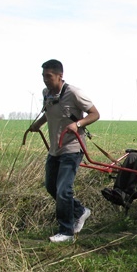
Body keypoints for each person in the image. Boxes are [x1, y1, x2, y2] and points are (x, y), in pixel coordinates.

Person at [29, 59, 100, 243]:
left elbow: (95, 114)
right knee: (51, 187)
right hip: (55, 149)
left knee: (63, 190)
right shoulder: (46, 93)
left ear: (60, 76)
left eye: (48, 76)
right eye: (43, 76)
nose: (45, 80)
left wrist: (78, 124)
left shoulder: (74, 92)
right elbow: (49, 113)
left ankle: (67, 232)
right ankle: (80, 211)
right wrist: (38, 124)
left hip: (72, 148)